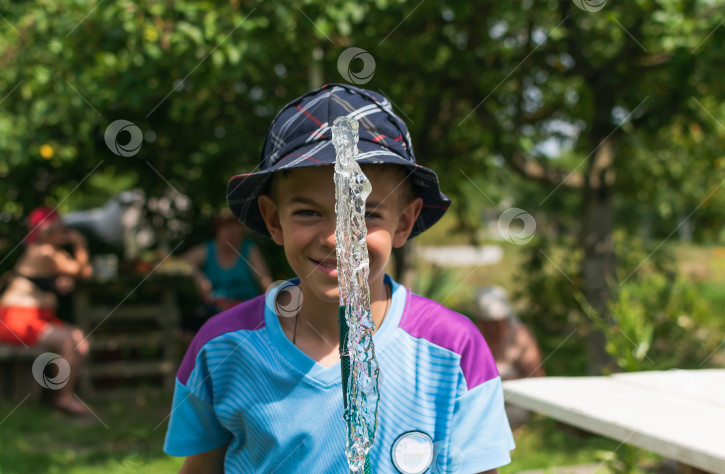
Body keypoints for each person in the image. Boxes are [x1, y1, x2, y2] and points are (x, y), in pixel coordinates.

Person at [164, 84, 515, 473]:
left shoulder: (453, 350)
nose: (337, 237)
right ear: (273, 219)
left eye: (364, 213)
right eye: (308, 213)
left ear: (404, 222)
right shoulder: (222, 349)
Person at [0, 206, 93, 416]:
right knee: (67, 341)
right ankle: (62, 398)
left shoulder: (45, 252)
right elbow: (82, 271)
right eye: (60, 230)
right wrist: (79, 243)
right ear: (46, 232)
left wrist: (54, 284)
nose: (64, 234)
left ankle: (63, 392)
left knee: (80, 340)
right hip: (17, 319)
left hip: (35, 317)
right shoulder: (45, 252)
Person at [179, 211, 273, 333]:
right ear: (218, 232)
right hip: (213, 313)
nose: (232, 237)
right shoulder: (208, 249)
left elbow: (264, 278)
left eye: (235, 232)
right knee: (189, 328)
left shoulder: (249, 250)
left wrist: (272, 296)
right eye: (227, 231)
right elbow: (182, 263)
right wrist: (199, 277)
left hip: (245, 311)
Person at [473, 286, 546, 429]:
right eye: (487, 322)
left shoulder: (519, 335)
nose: (493, 327)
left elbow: (536, 375)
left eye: (498, 321)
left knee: (502, 420)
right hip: (480, 400)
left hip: (514, 402)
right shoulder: (474, 335)